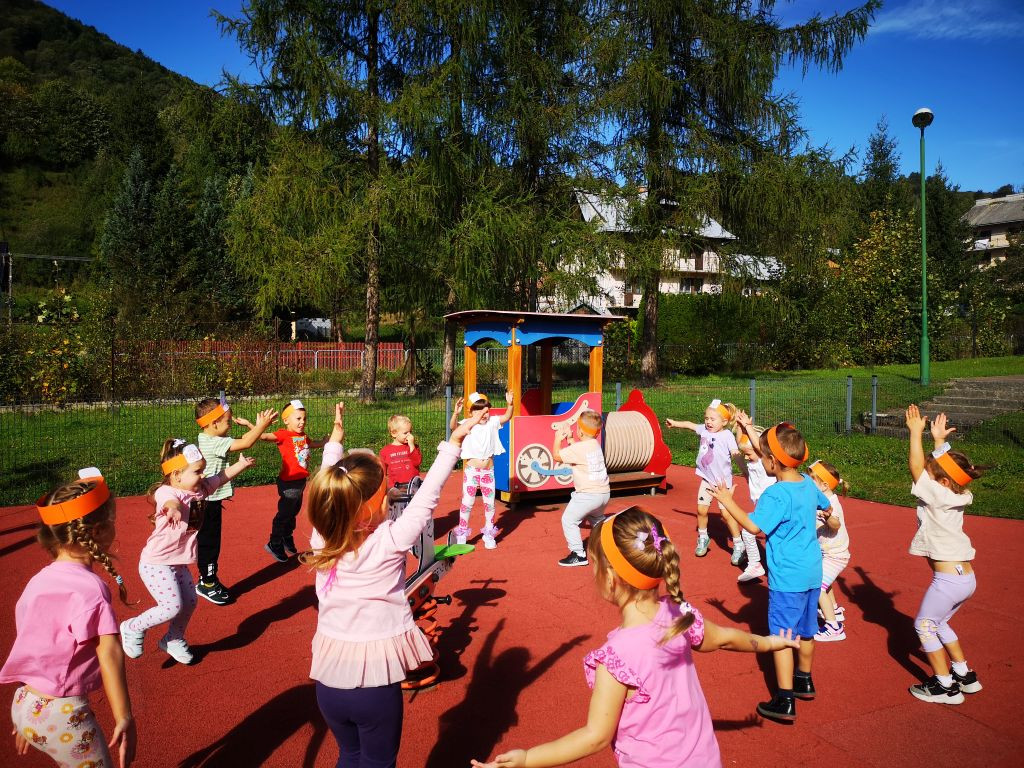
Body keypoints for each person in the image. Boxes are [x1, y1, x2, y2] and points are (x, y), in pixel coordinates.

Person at [469, 507, 800, 768]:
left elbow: (595, 737)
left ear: (610, 578)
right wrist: (770, 643)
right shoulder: (680, 615)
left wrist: (528, 759)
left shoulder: (617, 658)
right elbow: (726, 638)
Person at [304, 402, 485, 768]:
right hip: (373, 686)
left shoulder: (322, 539)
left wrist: (334, 444)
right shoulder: (389, 541)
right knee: (378, 762)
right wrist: (454, 442)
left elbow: (326, 485)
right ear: (372, 508)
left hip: (328, 682)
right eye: (385, 494)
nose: (390, 497)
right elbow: (428, 496)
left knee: (349, 755)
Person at [0, 469, 137, 768]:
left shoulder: (38, 581)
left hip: (25, 703)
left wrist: (29, 718)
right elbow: (109, 652)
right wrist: (124, 716)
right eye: (112, 520)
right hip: (62, 715)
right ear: (98, 532)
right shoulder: (91, 589)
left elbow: (33, 644)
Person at [708, 421, 829, 723]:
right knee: (807, 630)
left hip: (787, 576)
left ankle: (784, 699)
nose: (761, 460)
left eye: (763, 456)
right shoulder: (808, 483)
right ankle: (804, 680)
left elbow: (753, 526)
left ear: (773, 462)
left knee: (783, 636)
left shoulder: (776, 495)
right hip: (812, 572)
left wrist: (727, 501)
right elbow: (826, 507)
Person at [120, 440, 255, 665]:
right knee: (171, 607)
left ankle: (173, 638)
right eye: (197, 471)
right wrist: (172, 508)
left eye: (203, 470)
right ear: (176, 475)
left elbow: (220, 478)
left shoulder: (200, 490)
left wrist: (240, 465)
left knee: (190, 601)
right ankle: (133, 627)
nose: (203, 475)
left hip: (178, 563)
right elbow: (168, 501)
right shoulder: (167, 491)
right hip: (156, 563)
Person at [904, 405, 984, 705]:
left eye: (931, 473)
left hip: (948, 580)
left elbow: (916, 468)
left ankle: (944, 686)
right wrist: (939, 441)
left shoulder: (937, 494)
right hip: (966, 578)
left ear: (943, 482)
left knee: (924, 626)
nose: (925, 474)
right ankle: (964, 674)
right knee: (940, 623)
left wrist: (915, 434)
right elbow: (941, 470)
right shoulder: (957, 492)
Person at [194, 395, 278, 604]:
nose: (230, 425)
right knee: (209, 544)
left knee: (210, 542)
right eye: (227, 421)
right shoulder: (214, 442)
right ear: (214, 423)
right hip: (207, 503)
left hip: (210, 500)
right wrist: (262, 425)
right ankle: (207, 583)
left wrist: (255, 427)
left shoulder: (208, 438)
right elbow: (247, 442)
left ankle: (208, 579)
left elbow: (244, 439)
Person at [665, 399, 741, 560]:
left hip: (722, 484)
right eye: (706, 418)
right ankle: (703, 537)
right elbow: (689, 424)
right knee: (701, 510)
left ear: (724, 421)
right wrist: (675, 423)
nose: (708, 422)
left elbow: (735, 452)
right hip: (707, 479)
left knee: (726, 514)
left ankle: (738, 543)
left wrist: (743, 465)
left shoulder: (727, 435)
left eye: (712, 419)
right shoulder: (704, 431)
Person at [253, 399, 328, 561]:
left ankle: (286, 536)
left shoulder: (303, 436)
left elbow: (311, 444)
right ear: (286, 420)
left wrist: (323, 442)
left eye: (304, 419)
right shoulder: (283, 435)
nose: (302, 422)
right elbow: (264, 436)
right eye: (298, 418)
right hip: (289, 483)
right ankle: (274, 542)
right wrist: (255, 426)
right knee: (284, 514)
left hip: (300, 482)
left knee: (293, 512)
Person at [448, 390, 514, 548]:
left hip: (488, 472)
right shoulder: (468, 423)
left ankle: (488, 534)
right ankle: (462, 534)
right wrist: (455, 413)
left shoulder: (492, 422)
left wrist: (510, 404)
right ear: (471, 413)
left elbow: (507, 417)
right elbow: (453, 428)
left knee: (489, 504)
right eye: (478, 411)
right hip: (471, 472)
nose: (483, 414)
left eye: (486, 410)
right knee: (467, 502)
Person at [552, 409, 610, 567]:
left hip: (588, 495)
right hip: (603, 493)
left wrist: (558, 438)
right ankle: (608, 545)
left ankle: (578, 554)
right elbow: (579, 452)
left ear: (580, 431)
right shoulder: (594, 445)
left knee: (569, 520)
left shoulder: (579, 449)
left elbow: (557, 456)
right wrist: (570, 439)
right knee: (596, 519)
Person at [806, 460, 851, 642]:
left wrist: (829, 516)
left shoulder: (832, 503)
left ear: (824, 485)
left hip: (836, 555)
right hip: (827, 553)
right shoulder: (818, 500)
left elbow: (836, 524)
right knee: (825, 581)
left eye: (811, 480)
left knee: (817, 586)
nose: (807, 482)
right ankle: (834, 610)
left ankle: (834, 627)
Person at [733, 413, 774, 582]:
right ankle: (760, 564)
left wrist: (748, 427)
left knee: (749, 532)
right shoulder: (751, 462)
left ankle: (756, 564)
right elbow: (740, 444)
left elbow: (758, 446)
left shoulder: (763, 460)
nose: (746, 457)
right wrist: (740, 428)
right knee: (769, 536)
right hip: (762, 505)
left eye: (749, 454)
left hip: (770, 504)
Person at [379, 414, 422, 492]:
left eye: (410, 432)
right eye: (405, 433)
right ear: (394, 433)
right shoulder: (385, 451)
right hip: (395, 488)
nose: (410, 435)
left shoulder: (413, 447)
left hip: (413, 487)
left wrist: (412, 445)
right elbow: (382, 473)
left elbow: (417, 462)